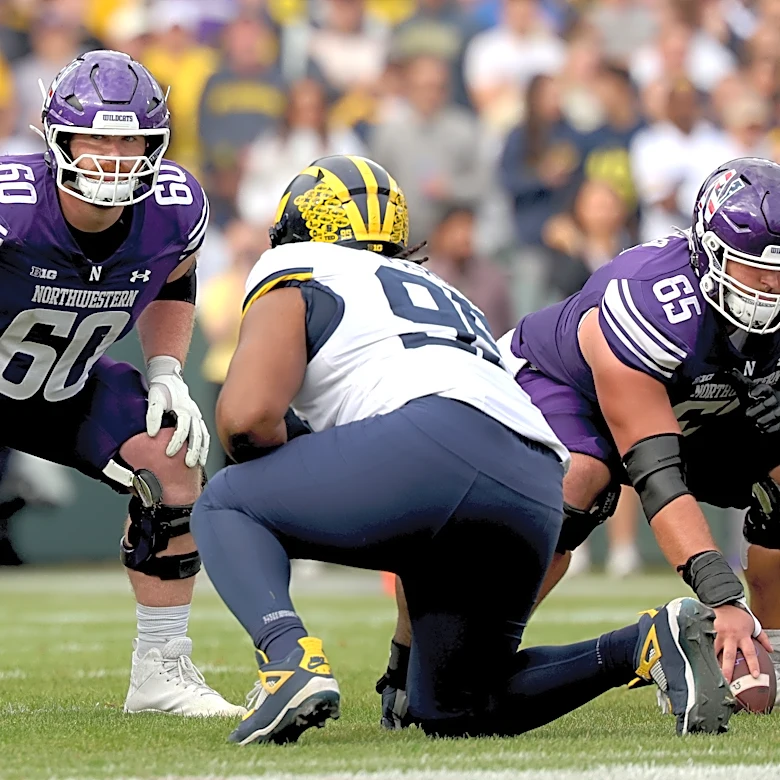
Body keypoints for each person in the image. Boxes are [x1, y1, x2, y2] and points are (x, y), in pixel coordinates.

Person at [190, 154, 731, 745]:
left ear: (296, 228)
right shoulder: (443, 288)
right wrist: (401, 656)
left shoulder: (296, 266)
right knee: (455, 705)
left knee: (224, 502)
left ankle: (286, 660)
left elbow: (246, 420)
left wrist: (287, 471)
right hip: (534, 482)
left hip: (427, 445)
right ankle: (648, 644)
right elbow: (423, 493)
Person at [378, 157, 780, 726]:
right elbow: (657, 475)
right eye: (754, 268)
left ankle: (772, 653)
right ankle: (416, 660)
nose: (772, 285)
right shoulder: (650, 302)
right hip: (563, 388)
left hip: (693, 402)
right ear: (710, 255)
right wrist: (721, 596)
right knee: (577, 482)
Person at [1, 49, 243, 717]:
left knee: (173, 456)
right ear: (58, 139)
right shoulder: (12, 205)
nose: (112, 154)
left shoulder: (175, 207)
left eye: (129, 138)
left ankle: (160, 673)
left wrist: (166, 369)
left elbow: (175, 277)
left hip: (61, 383)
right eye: (97, 137)